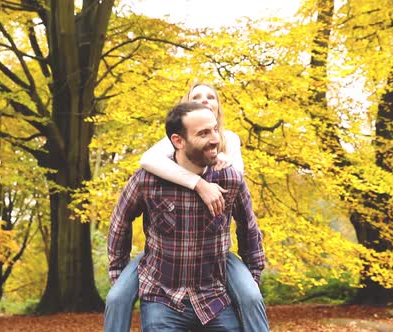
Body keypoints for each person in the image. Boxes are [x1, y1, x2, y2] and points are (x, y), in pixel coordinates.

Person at [104, 84, 270, 331]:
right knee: (116, 298)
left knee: (251, 296)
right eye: (204, 134)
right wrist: (119, 275)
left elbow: (249, 230)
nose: (215, 139)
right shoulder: (149, 178)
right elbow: (120, 221)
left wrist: (253, 278)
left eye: (215, 130)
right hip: (163, 295)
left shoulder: (230, 176)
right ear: (178, 141)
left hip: (213, 294)